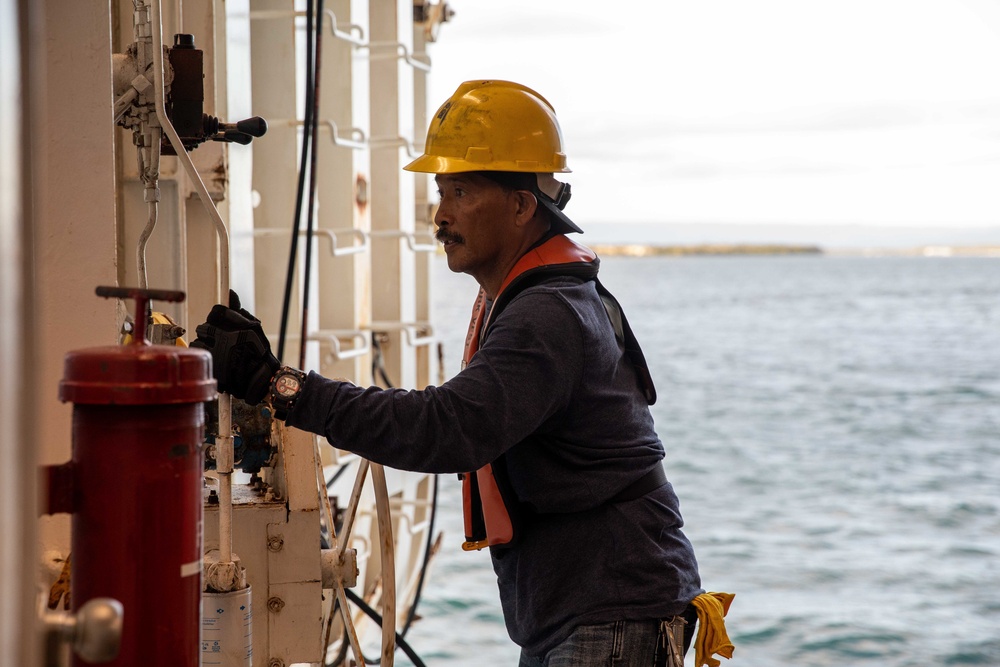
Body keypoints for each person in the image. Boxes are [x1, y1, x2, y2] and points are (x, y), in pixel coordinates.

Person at [193, 80, 732, 667]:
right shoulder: (542, 298)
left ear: (524, 205)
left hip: (612, 614)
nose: (440, 215)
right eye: (440, 191)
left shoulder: (545, 317)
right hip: (596, 609)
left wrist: (279, 387)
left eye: (462, 192)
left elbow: (446, 428)